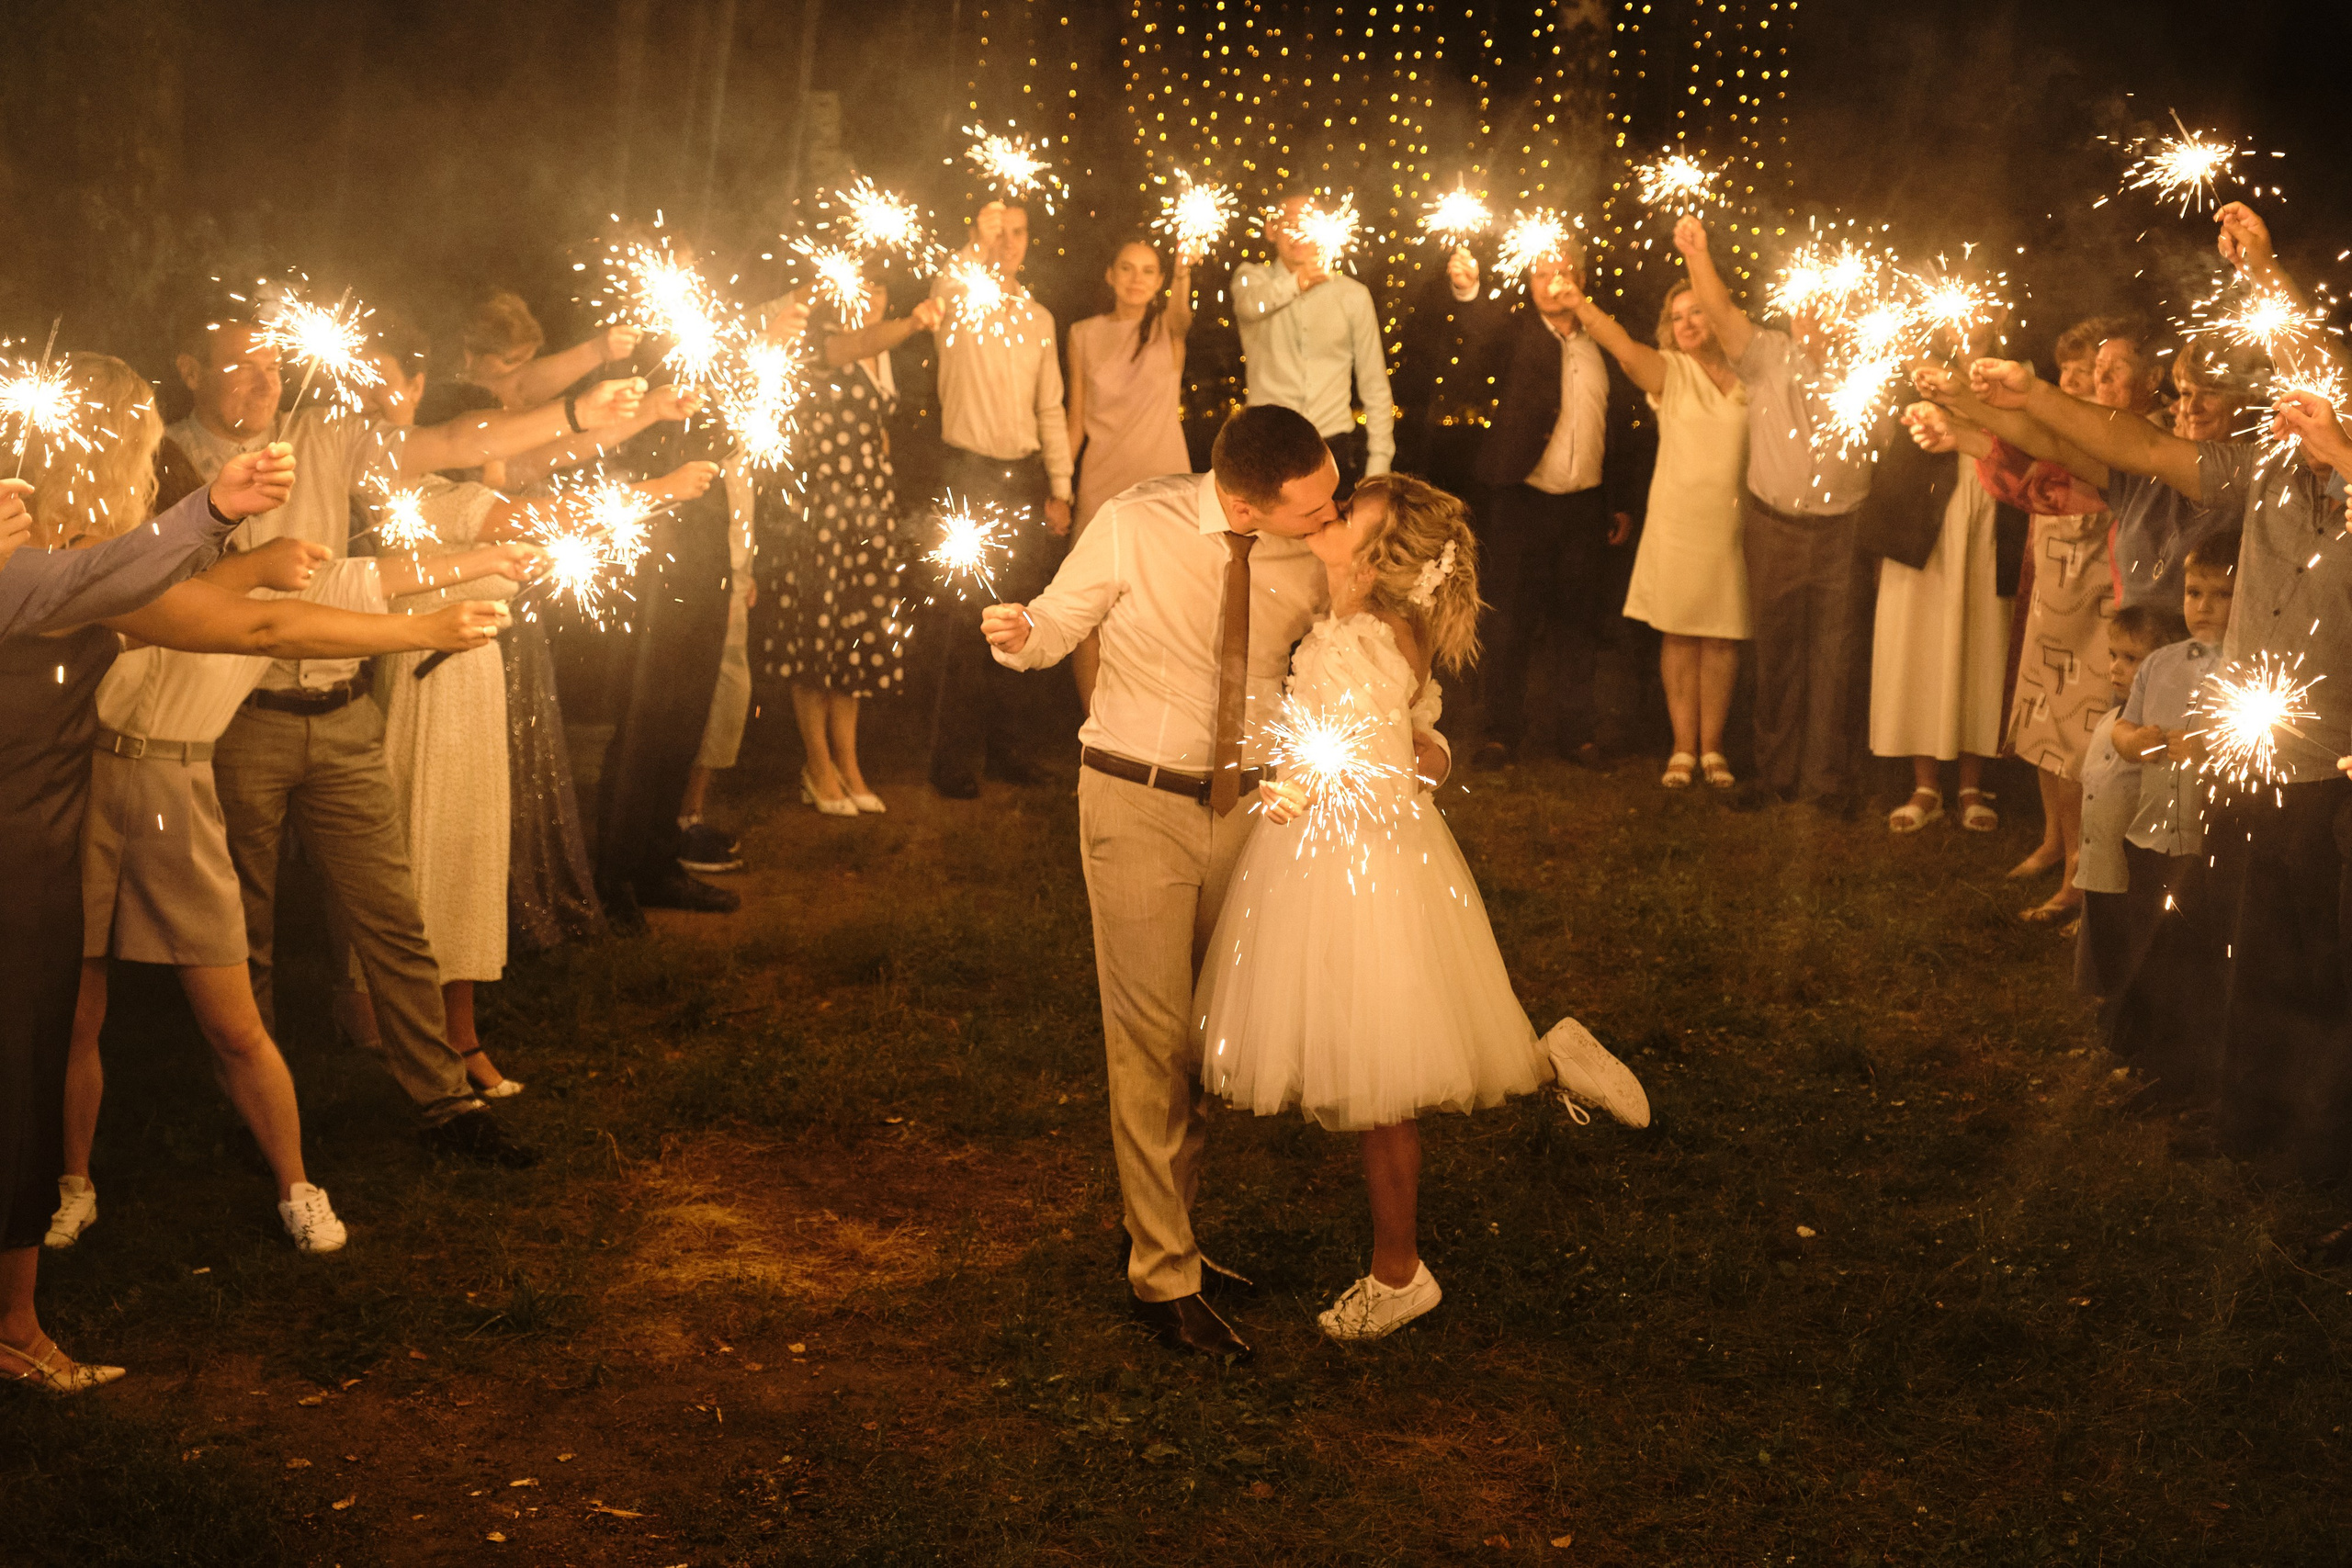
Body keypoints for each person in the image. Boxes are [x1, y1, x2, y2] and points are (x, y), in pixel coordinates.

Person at [975, 406, 1442, 1362]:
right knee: (1148, 1040)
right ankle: (1162, 1278)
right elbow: (1054, 630)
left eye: (1333, 499)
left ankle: (1166, 1231)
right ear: (1243, 501)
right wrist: (1015, 630)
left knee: (1209, 1036)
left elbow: (1368, 652)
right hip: (1133, 801)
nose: (1330, 517)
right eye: (1313, 506)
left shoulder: (1304, 555)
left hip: (1250, 816)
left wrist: (1424, 729)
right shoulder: (1133, 525)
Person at [50, 356, 523, 1255]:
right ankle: (73, 1182)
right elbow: (181, 604)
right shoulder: (105, 572)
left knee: (232, 1014)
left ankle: (296, 1182)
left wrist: (472, 570)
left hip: (180, 790)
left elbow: (318, 601)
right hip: (86, 790)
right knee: (77, 1009)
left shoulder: (222, 577)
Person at [1193, 472, 1648, 1343]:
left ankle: (1400, 1273)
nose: (1330, 513)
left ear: (1382, 550)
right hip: (1346, 854)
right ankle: (1549, 1055)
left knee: (1379, 1073)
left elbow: (1381, 763)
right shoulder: (1357, 624)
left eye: (1349, 510)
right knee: (1377, 1047)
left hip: (1358, 863)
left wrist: (1304, 781)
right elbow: (1417, 730)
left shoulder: (1360, 636)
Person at [177, 310, 627, 1164]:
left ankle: (444, 1100)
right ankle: (248, 1105)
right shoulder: (172, 458)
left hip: (345, 714)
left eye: (272, 364)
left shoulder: (324, 436)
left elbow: (455, 435)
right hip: (240, 719)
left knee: (394, 911)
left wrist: (578, 415)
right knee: (244, 927)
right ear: (190, 367)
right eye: (238, 366)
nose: (262, 380)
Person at [1975, 202, 2352, 1187]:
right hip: (2241, 751)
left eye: (2312, 399)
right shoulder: (2264, 475)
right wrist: (2026, 397)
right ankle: (2243, 1117)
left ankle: (2313, 1153)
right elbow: (2137, 447)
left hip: (2329, 771)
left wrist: (2340, 449)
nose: (2290, 405)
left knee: (2317, 958)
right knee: (2239, 937)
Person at [1, 418, 296, 1397]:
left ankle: (14, 1322)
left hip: (35, 861)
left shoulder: (35, 572)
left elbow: (137, 586)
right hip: (18, 869)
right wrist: (212, 508)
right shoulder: (37, 576)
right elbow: (112, 580)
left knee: (28, 1072)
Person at [1673, 216, 1875, 807]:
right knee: (1779, 654)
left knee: (1835, 661)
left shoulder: (1865, 367)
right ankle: (1776, 775)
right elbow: (1722, 310)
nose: (1811, 317)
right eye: (1803, 307)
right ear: (1791, 312)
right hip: (1776, 527)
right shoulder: (1764, 355)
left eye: (1823, 307)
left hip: (1843, 528)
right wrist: (1697, 254)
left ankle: (1827, 780)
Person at [1551, 273, 1749, 786]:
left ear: (1718, 315)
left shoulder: (1752, 378)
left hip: (1733, 523)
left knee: (1723, 638)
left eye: (1696, 312)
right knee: (1681, 633)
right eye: (1676, 316)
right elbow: (1621, 346)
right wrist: (1581, 305)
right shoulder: (1671, 373)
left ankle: (1714, 749)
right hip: (1678, 522)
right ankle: (1683, 749)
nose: (1685, 323)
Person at [1466, 239, 1645, 770]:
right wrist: (1468, 288)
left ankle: (1576, 734)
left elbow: (1617, 429)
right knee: (1512, 622)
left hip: (1585, 505)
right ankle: (1501, 733)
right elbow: (1474, 333)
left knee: (1578, 623)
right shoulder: (1514, 334)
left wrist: (1618, 500)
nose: (1551, 283)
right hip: (1522, 499)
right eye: (1541, 273)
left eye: (1562, 272)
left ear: (1582, 281)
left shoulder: (1601, 343)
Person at [763, 281, 934, 815]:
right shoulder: (822, 340)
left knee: (856, 637)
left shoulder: (881, 358)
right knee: (816, 635)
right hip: (821, 511)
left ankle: (849, 763)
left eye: (885, 288)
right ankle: (817, 766)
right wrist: (913, 322)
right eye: (867, 285)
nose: (876, 296)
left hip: (868, 511)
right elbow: (855, 347)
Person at [925, 198, 1074, 799]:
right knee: (967, 620)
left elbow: (1051, 406)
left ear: (1029, 242)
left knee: (1019, 618)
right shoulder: (956, 300)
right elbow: (947, 280)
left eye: (1017, 234)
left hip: (1023, 475)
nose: (1007, 243)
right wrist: (976, 244)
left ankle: (1011, 750)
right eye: (997, 233)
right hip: (968, 472)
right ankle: (954, 764)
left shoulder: (1040, 318)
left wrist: (1060, 487)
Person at [1863, 317, 2019, 834]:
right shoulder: (1914, 378)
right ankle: (1926, 783)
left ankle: (1973, 783)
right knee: (1920, 642)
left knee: (1981, 642)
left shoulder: (2016, 380)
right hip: (1922, 531)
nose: (1967, 330)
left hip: (1988, 524)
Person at [2102, 530, 2238, 1101]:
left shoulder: (2247, 667)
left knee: (2201, 954)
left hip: (2209, 845)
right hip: (2151, 836)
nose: (2203, 607)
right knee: (2152, 946)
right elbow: (2122, 726)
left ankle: (2201, 1068)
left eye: (2220, 594)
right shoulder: (2160, 664)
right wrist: (2138, 742)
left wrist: (2214, 746)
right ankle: (2156, 1053)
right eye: (2193, 592)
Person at [1067, 234, 1197, 709]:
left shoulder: (1168, 328)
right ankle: (1094, 726)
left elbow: (1183, 316)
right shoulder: (1083, 333)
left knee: (1164, 609)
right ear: (1110, 275)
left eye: (1148, 271)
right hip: (1102, 484)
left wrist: (1185, 269)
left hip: (1164, 488)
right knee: (1091, 610)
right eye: (1127, 268)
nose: (1136, 279)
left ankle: (1153, 719)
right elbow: (1076, 420)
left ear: (1160, 281)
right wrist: (1061, 487)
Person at [1230, 191, 1396, 494]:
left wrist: (1379, 463)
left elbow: (1374, 383)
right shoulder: (1250, 278)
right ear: (1271, 229)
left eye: (1307, 222)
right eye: (1289, 222)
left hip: (1332, 444)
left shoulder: (1352, 294)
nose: (1298, 232)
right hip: (1266, 444)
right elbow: (1250, 305)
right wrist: (1298, 282)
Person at [2071, 603, 2182, 1006]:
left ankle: (2129, 1011)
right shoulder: (2113, 720)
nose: (2115, 668)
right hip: (2097, 864)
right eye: (2113, 655)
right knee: (2103, 939)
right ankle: (2109, 1006)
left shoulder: (2156, 727)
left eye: (2131, 659)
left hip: (2128, 870)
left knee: (2129, 944)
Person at [1391, 244, 1510, 502]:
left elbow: (1490, 338)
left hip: (1471, 437)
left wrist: (1467, 291)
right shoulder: (1416, 290)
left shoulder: (1494, 307)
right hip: (1414, 430)